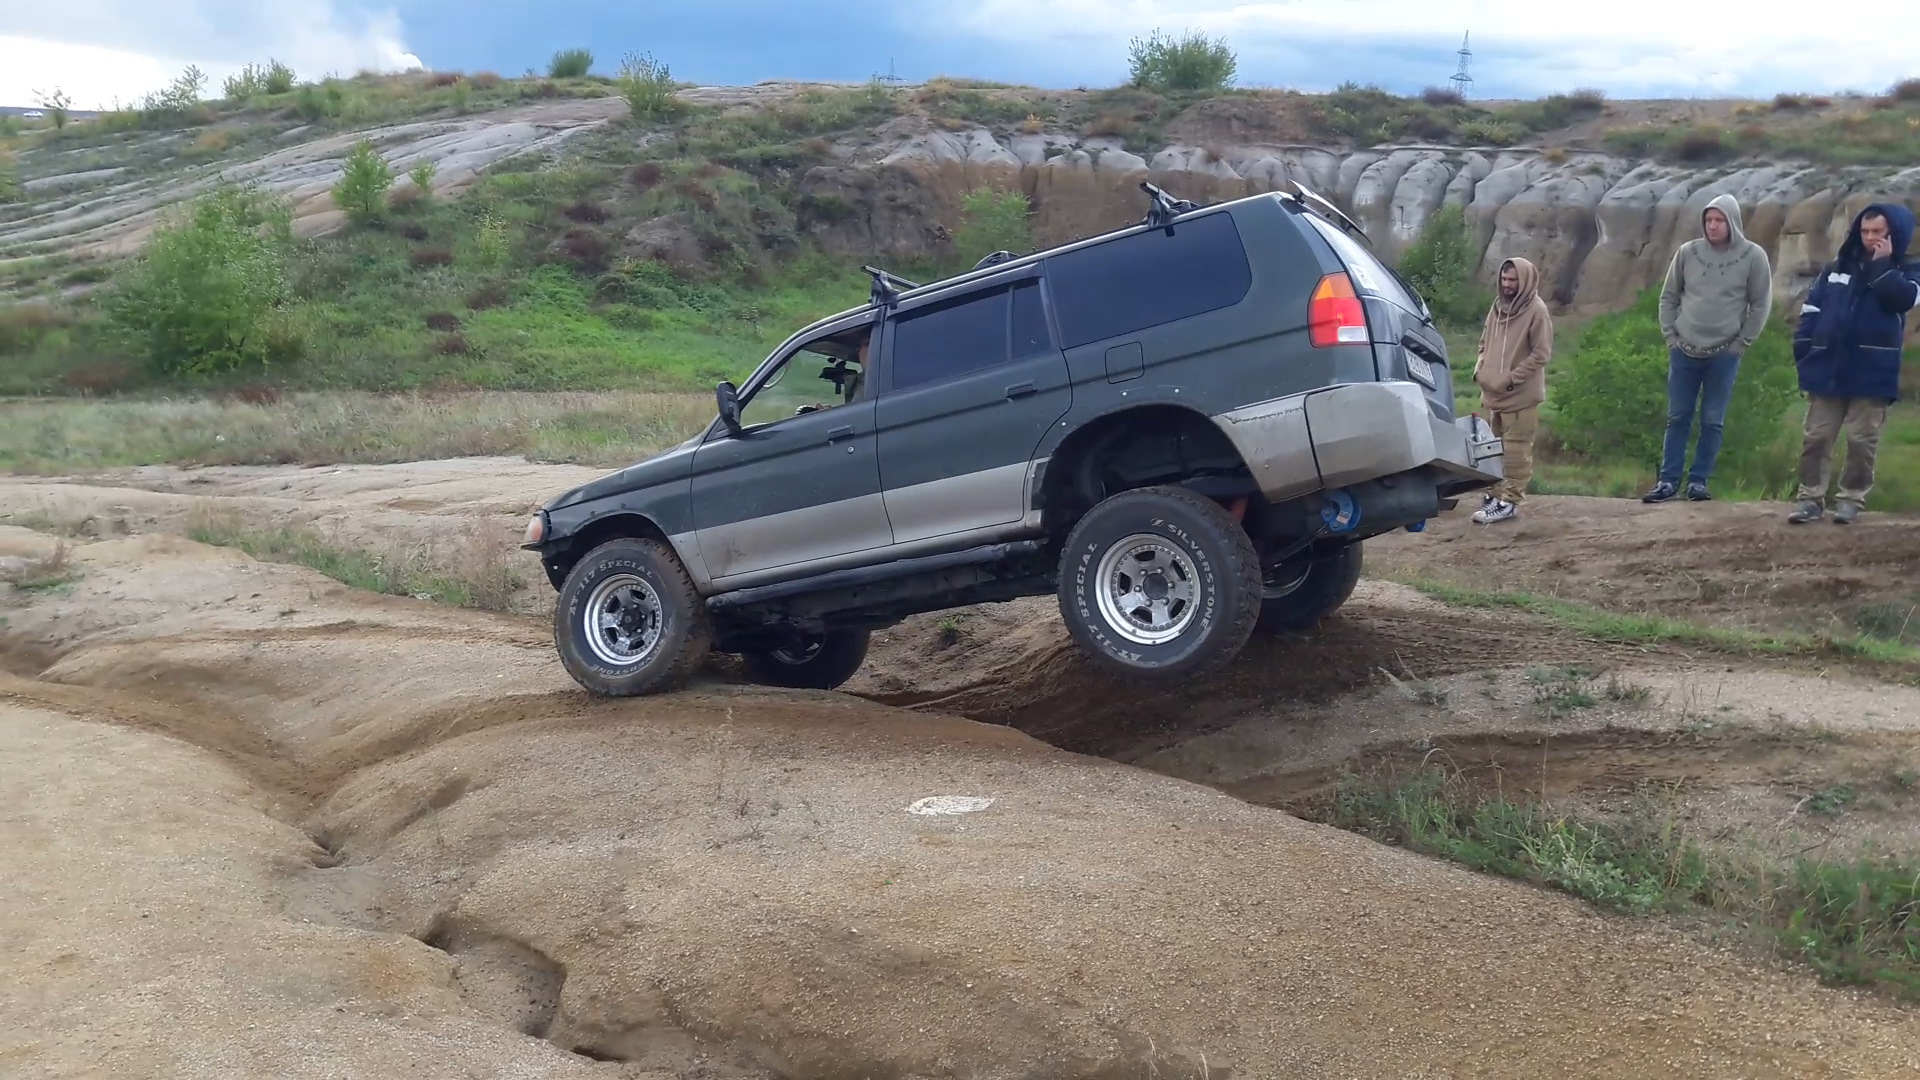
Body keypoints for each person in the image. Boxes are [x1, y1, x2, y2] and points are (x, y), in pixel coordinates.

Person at [1786, 203, 1920, 525]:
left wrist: (1882, 265)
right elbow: (1812, 311)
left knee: (1862, 440)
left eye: (1878, 232)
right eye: (1865, 231)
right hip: (1828, 366)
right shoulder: (1836, 267)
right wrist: (1804, 349)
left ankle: (1850, 499)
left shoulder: (1907, 272)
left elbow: (1902, 300)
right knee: (1816, 437)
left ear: (1894, 235)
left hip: (1873, 370)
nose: (1870, 237)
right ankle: (1810, 499)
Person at [1642, 194, 1774, 504]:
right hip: (1684, 348)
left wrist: (1741, 344)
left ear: (1732, 222)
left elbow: (1760, 304)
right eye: (1708, 220)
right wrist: (1670, 337)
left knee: (1712, 420)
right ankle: (1668, 481)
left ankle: (1698, 482)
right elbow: (1669, 296)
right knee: (1677, 417)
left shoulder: (1753, 256)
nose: (1712, 226)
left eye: (1718, 220)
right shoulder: (1688, 252)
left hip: (1724, 353)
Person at [1470, 256, 1553, 524]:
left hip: (1520, 396)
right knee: (1493, 449)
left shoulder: (1537, 310)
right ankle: (1494, 495)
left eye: (1513, 280)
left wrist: (1511, 379)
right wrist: (1480, 371)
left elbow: (1541, 354)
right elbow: (1484, 343)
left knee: (1517, 450)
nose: (1507, 285)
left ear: (1525, 281)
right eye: (1504, 279)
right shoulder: (1497, 307)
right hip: (1493, 395)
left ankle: (1510, 502)